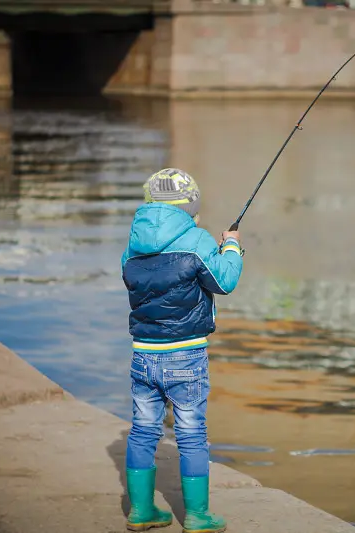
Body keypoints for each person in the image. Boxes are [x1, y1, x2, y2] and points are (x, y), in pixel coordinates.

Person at [120, 168, 244, 532]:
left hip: (143, 352)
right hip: (186, 354)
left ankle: (141, 511)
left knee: (143, 430)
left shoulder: (132, 245)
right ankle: (198, 516)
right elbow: (225, 280)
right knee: (191, 432)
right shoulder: (196, 239)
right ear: (191, 208)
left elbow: (134, 279)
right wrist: (232, 245)